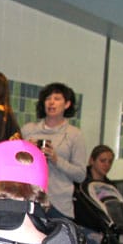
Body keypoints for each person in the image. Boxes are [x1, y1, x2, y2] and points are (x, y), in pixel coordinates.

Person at [21, 82, 87, 220]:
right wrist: (26, 151)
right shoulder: (28, 130)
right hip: (29, 200)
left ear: (67, 104)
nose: (51, 103)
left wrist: (56, 160)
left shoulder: (74, 134)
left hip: (60, 205)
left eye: (57, 99)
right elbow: (15, 165)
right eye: (48, 99)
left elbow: (80, 175)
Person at [74, 145, 116, 233]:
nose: (107, 165)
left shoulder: (111, 187)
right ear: (92, 161)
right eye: (103, 161)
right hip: (83, 225)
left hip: (104, 227)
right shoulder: (80, 182)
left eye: (110, 162)